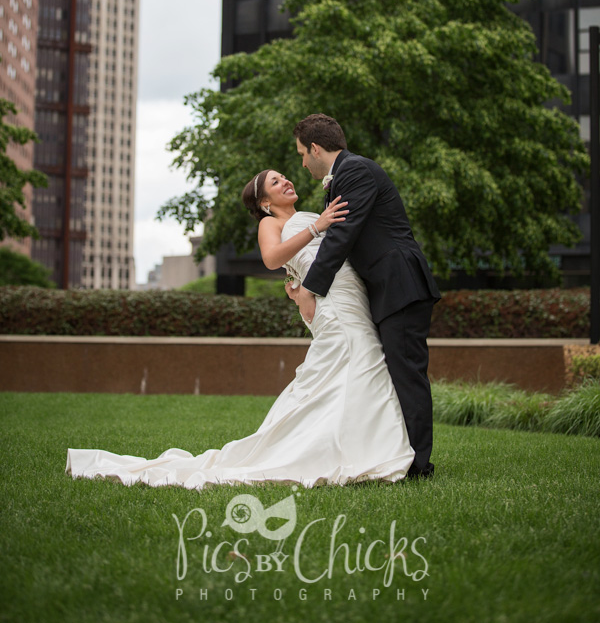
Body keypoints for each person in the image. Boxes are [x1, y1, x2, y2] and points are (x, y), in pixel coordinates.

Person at [65, 168, 415, 489]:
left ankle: (358, 444)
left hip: (348, 299)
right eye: (275, 183)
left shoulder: (312, 216)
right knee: (351, 363)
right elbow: (273, 258)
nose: (286, 182)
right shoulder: (273, 224)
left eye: (284, 178)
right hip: (334, 311)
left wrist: (299, 285)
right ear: (265, 202)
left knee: (358, 369)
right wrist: (317, 228)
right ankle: (351, 450)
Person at [289, 114, 440, 479]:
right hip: (386, 288)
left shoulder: (355, 170)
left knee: (407, 374)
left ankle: (418, 465)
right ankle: (401, 454)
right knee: (397, 372)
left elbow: (343, 236)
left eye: (301, 154)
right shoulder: (343, 176)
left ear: (315, 148)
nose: (302, 163)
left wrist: (309, 288)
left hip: (400, 284)